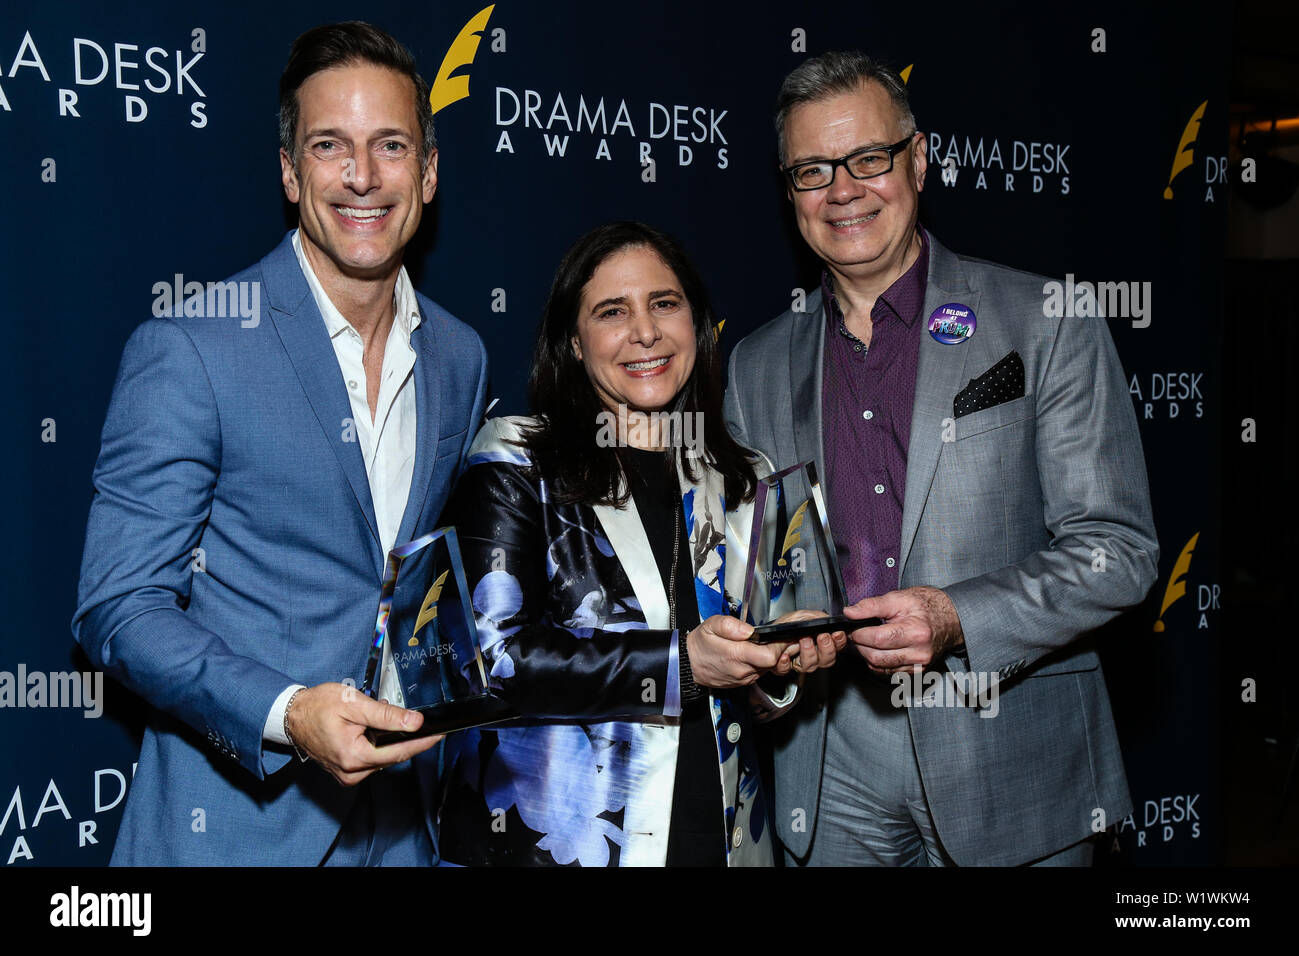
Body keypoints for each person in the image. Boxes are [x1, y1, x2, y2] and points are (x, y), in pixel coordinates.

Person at [724, 51, 1160, 866]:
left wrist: (956, 617)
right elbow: (756, 570)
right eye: (813, 170)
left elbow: (1118, 552)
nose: (843, 190)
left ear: (918, 160)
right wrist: (768, 658)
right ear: (789, 194)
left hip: (1010, 750)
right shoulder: (752, 366)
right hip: (831, 763)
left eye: (868, 159)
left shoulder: (1046, 320)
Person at [71, 22, 487, 865]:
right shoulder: (194, 346)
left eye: (391, 146)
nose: (362, 177)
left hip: (404, 833)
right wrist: (288, 711)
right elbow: (118, 606)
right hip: (232, 835)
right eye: (330, 146)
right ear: (292, 173)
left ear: (430, 173)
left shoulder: (460, 355)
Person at [437, 221, 843, 866]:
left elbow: (755, 691)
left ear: (696, 322)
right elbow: (491, 663)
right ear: (573, 343)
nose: (645, 332)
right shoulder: (517, 458)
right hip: (567, 844)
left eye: (664, 303)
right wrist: (681, 665)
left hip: (724, 836)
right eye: (611, 312)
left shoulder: (746, 477)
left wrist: (779, 670)